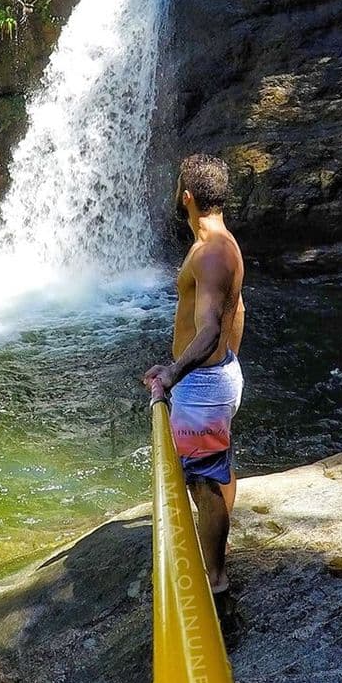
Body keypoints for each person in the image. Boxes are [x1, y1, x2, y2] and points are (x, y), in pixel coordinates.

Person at [143, 153, 245, 594]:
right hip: (215, 378)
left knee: (202, 480)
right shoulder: (220, 244)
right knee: (215, 467)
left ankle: (215, 578)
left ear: (186, 196)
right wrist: (228, 365)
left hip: (201, 384)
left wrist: (172, 372)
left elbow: (208, 332)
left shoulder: (210, 255)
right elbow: (239, 309)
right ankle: (214, 557)